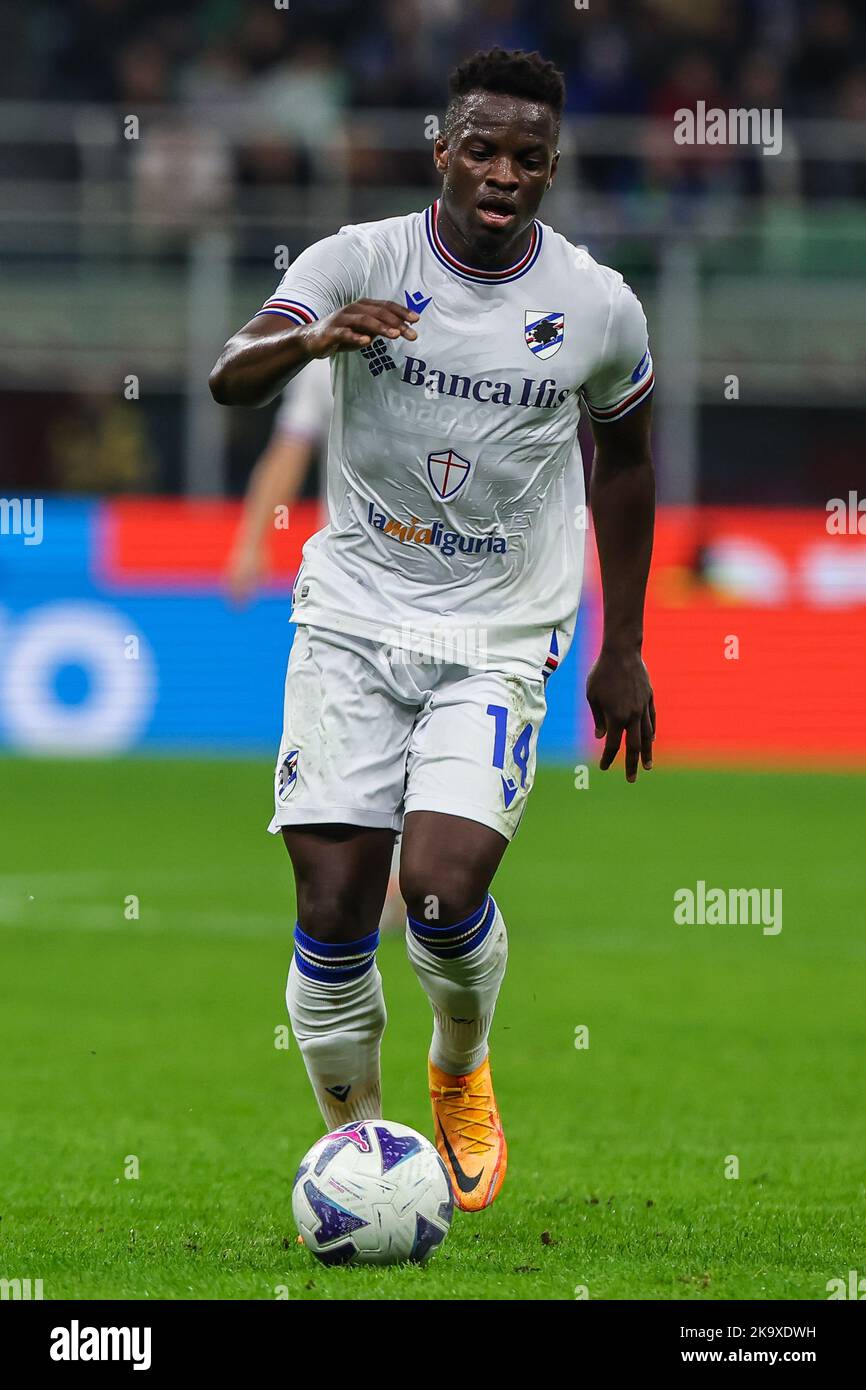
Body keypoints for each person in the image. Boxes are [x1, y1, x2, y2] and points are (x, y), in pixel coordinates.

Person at [210, 46, 656, 1213]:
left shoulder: (596, 305)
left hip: (501, 635)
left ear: (552, 169)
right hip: (353, 619)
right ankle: (362, 1160)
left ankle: (458, 1066)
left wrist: (621, 647)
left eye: (528, 157)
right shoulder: (358, 259)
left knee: (443, 890)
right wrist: (312, 337)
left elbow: (628, 459)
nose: (502, 172)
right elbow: (226, 375)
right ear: (441, 149)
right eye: (482, 148)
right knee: (328, 912)